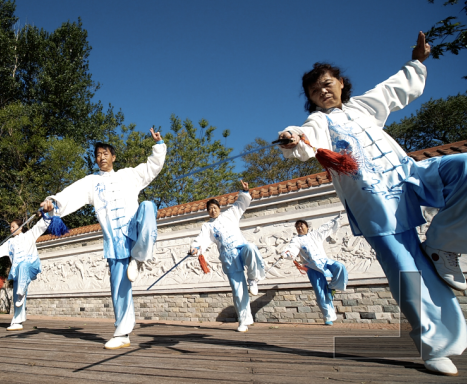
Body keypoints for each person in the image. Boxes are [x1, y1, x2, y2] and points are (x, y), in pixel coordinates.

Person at [276, 32, 466, 375]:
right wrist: (292, 138)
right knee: (408, 273)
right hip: (376, 202)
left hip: (409, 175)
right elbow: (304, 138)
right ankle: (434, 345)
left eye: (327, 82)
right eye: (314, 88)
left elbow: (396, 87)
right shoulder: (318, 121)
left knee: (464, 167)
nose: (322, 89)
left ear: (341, 85)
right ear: (310, 98)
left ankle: (442, 245)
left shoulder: (364, 105)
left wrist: (418, 61)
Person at [39, 127, 166, 349]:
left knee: (147, 206)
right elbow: (71, 194)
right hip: (115, 241)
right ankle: (122, 333)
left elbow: (151, 168)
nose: (101, 158)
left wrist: (158, 145)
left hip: (134, 231)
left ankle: (139, 257)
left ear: (113, 157)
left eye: (105, 153)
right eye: (98, 155)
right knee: (119, 287)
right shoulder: (91, 182)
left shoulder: (128, 175)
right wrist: (53, 203)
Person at [190, 180, 266, 332]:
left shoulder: (230, 214)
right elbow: (201, 240)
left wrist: (245, 191)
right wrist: (195, 248)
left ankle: (252, 278)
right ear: (207, 212)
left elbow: (240, 204)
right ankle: (244, 320)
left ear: (219, 208)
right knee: (238, 291)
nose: (212, 210)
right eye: (209, 209)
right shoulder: (208, 226)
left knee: (251, 248)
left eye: (214, 207)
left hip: (241, 248)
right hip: (228, 258)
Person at [0, 213, 50, 331]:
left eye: (13, 227)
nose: (10, 229)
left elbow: (41, 225)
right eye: (10, 227)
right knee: (17, 295)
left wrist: (47, 212)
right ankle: (17, 321)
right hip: (17, 272)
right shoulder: (9, 242)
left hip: (30, 265)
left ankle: (21, 289)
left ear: (21, 227)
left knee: (23, 265)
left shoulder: (30, 235)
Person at [280, 217, 348, 325]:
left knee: (340, 267)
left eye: (301, 225)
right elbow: (292, 249)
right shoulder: (296, 240)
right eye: (297, 227)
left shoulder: (315, 235)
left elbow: (324, 227)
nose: (299, 228)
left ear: (307, 227)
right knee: (320, 291)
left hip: (325, 262)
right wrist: (287, 253)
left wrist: (335, 220)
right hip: (311, 267)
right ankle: (328, 317)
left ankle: (332, 287)